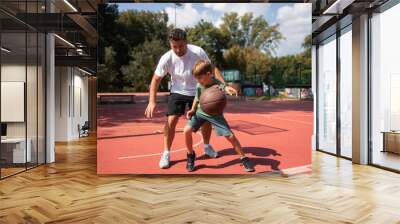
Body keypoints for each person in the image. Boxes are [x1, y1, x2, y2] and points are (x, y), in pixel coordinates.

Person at [144, 28, 235, 169]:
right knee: (171, 120)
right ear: (170, 44)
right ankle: (166, 153)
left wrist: (224, 85)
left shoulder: (197, 52)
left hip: (199, 90)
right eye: (174, 46)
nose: (178, 49)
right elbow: (156, 79)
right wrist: (151, 101)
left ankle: (206, 146)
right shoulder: (167, 58)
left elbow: (212, 68)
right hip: (178, 91)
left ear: (186, 42)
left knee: (206, 120)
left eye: (181, 46)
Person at [183, 59, 255, 172]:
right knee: (186, 130)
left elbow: (224, 87)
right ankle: (190, 155)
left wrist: (228, 88)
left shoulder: (217, 84)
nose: (198, 81)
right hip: (200, 112)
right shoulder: (199, 85)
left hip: (215, 115)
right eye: (197, 78)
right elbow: (197, 98)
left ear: (209, 74)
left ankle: (244, 158)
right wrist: (192, 110)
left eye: (200, 78)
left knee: (230, 136)